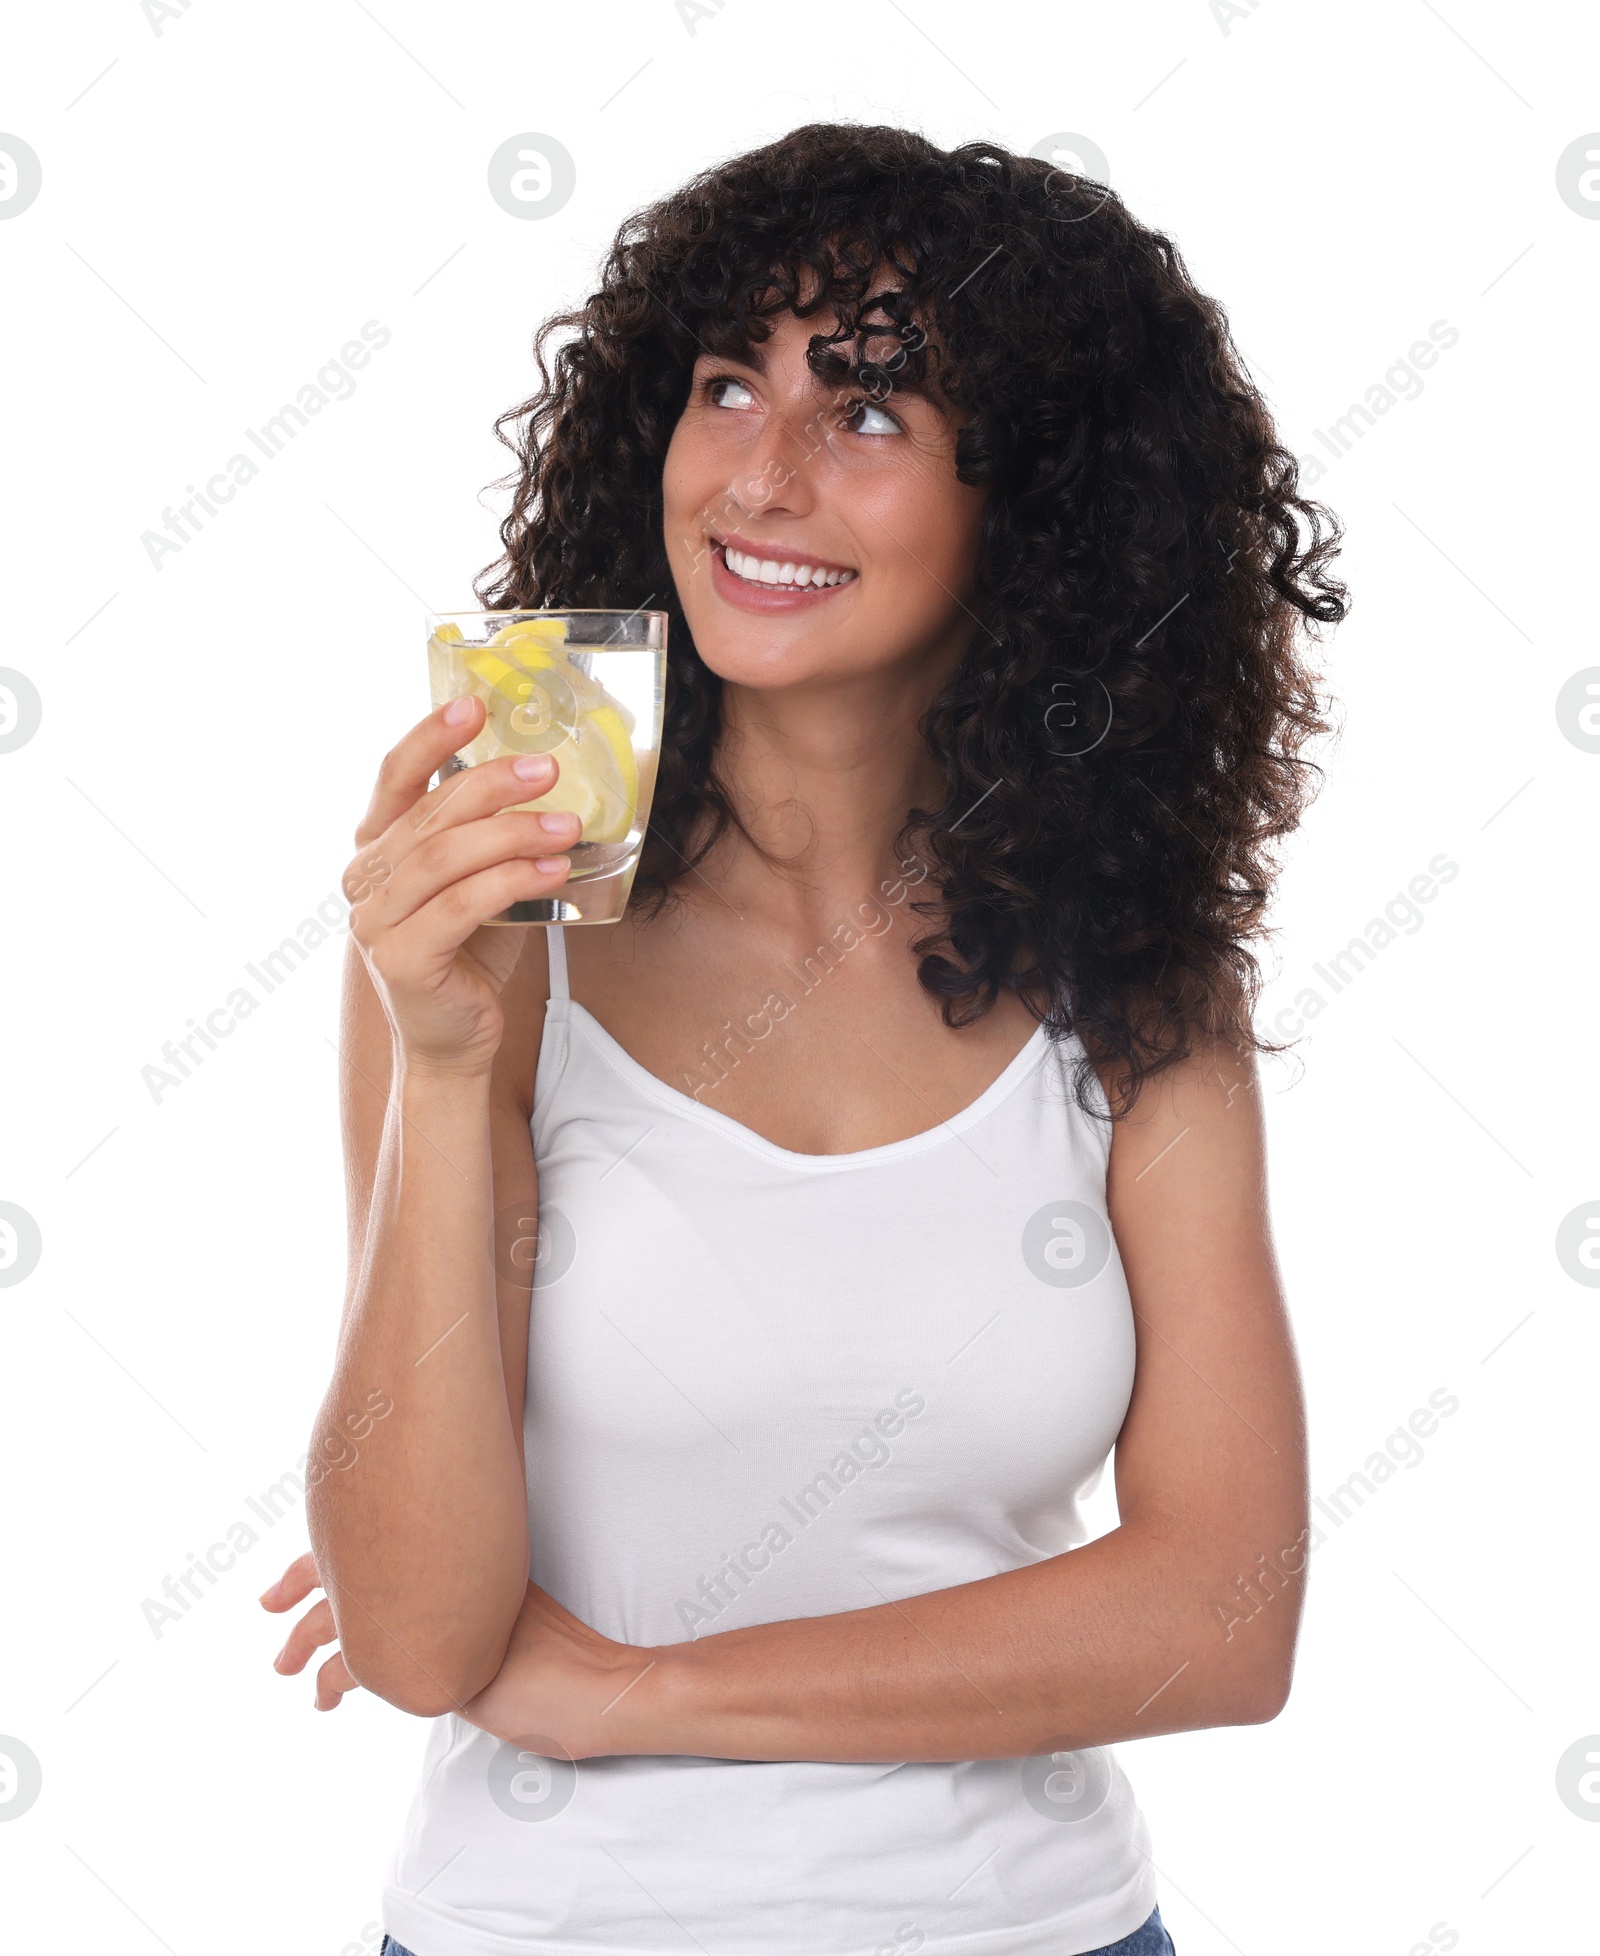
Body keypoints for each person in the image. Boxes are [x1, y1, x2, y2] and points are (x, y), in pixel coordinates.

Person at [258, 123, 1345, 1956]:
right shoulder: (497, 950)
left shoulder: (1134, 983)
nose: (756, 477)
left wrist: (645, 1694)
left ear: (1036, 501)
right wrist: (444, 1067)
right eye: (724, 384)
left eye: (864, 413)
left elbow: (1227, 1615)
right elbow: (428, 1637)